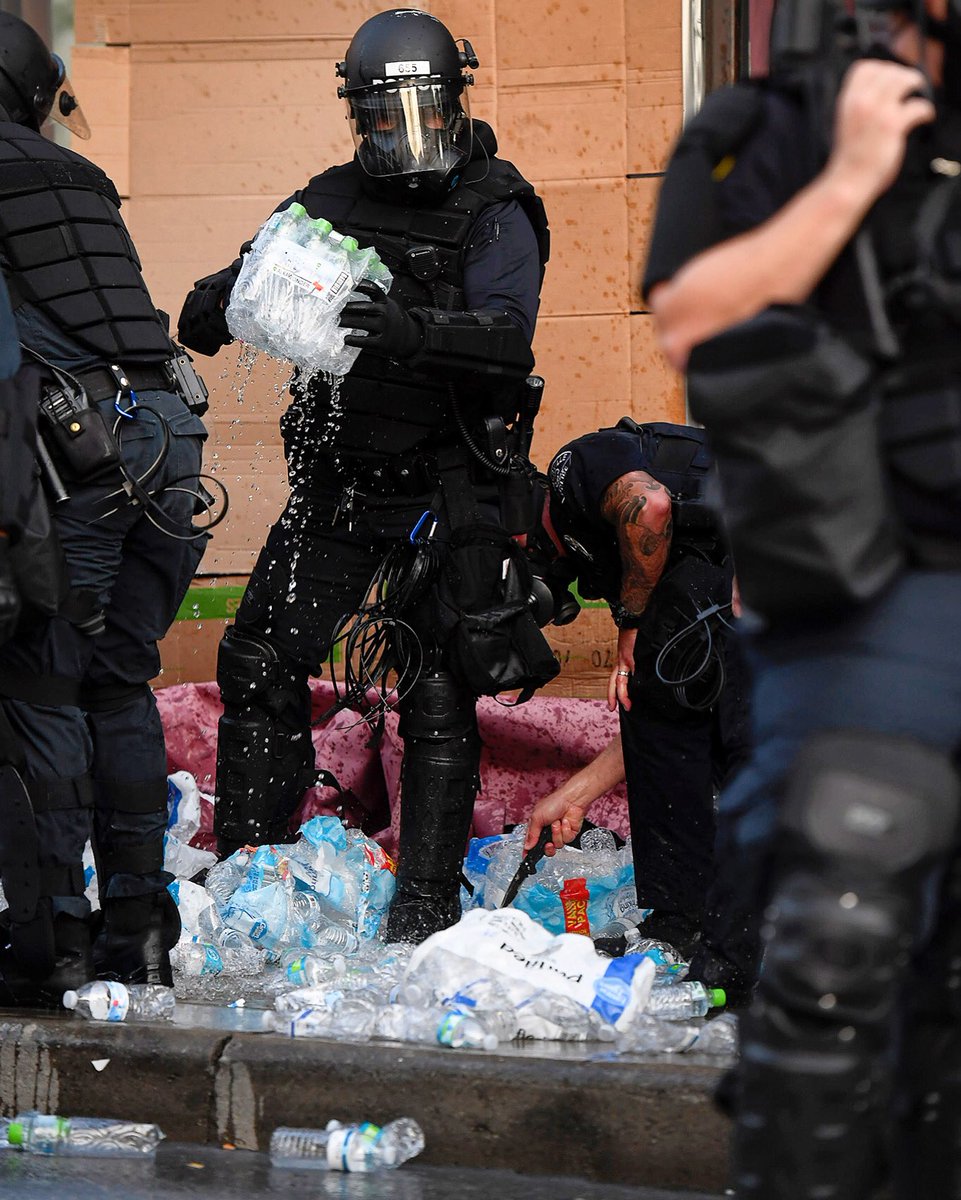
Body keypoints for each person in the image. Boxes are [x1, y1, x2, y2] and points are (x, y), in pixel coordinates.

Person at [645, 0, 961, 1195]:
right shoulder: (774, 126)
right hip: (874, 598)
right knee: (842, 928)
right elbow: (692, 315)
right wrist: (855, 175)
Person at [177, 8, 553, 943]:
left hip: (446, 486)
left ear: (454, 102)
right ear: (358, 117)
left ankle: (422, 902)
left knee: (433, 689)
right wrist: (224, 300)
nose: (401, 137)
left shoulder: (495, 205)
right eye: (381, 121)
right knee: (258, 663)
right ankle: (251, 880)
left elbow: (508, 340)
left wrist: (411, 331)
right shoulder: (331, 195)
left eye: (417, 114)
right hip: (340, 481)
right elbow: (226, 290)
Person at [0, 13, 211, 1005]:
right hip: (170, 438)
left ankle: (56, 947)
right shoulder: (76, 177)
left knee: (44, 683)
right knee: (119, 682)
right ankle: (141, 935)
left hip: (79, 450)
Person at [524, 421, 754, 999]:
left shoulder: (575, 470)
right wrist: (577, 793)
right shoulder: (628, 547)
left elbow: (649, 506)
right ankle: (744, 937)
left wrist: (630, 626)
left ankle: (682, 929)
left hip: (737, 569)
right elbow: (665, 726)